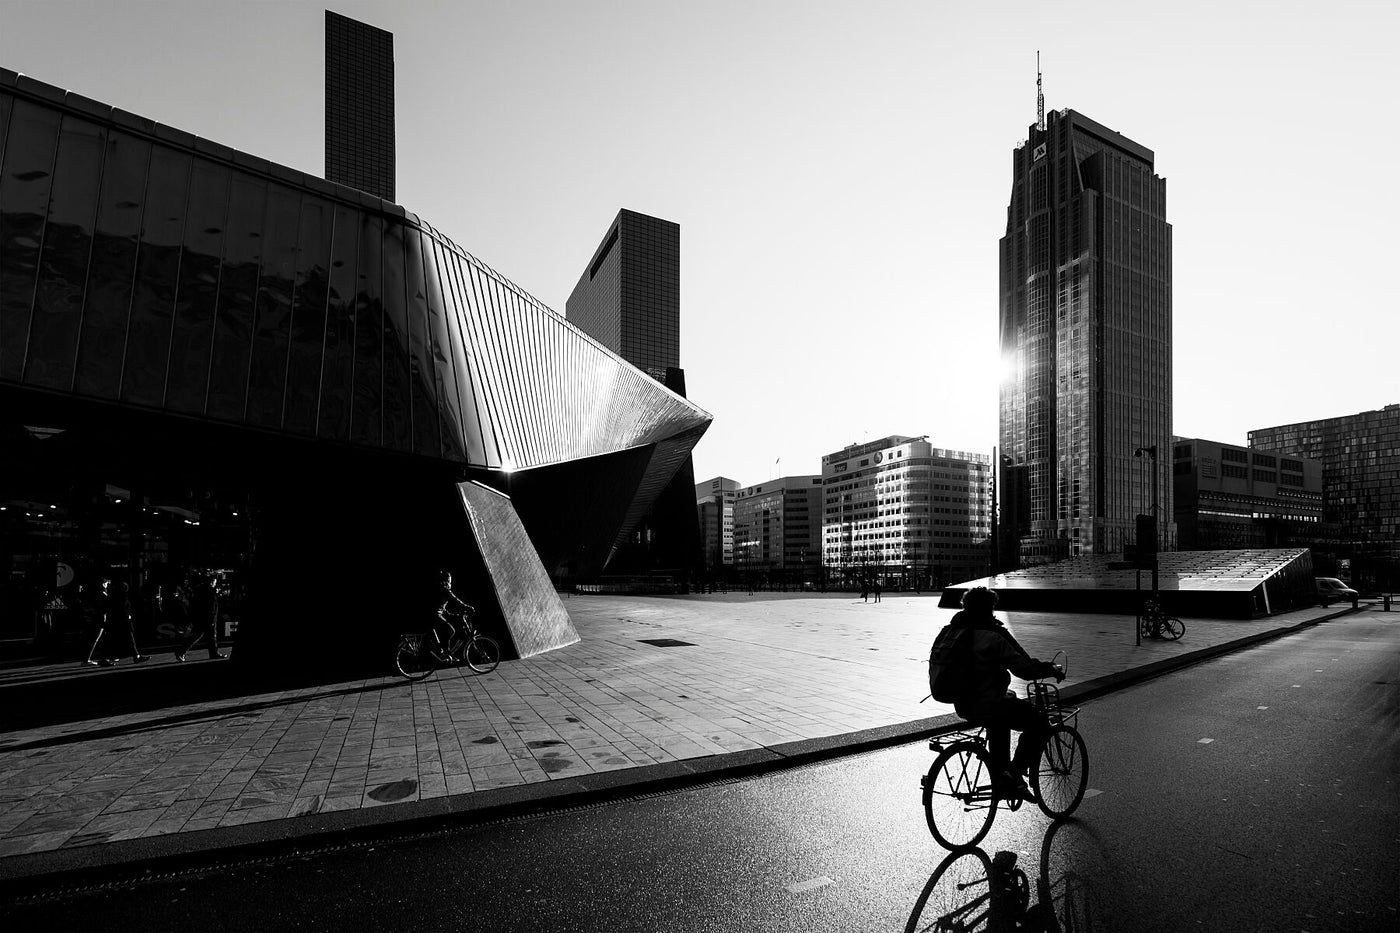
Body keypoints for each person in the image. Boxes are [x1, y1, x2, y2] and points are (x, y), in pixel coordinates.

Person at [934, 586, 1061, 798]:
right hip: (989, 702)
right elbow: (1024, 668)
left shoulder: (950, 631)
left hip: (963, 704)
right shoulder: (993, 635)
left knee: (999, 720)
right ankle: (1014, 774)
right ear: (989, 608)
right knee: (1039, 723)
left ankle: (1001, 777)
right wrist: (1050, 669)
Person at [178, 573, 226, 661]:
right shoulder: (210, 591)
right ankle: (182, 651)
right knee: (210, 636)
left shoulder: (200, 589)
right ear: (212, 581)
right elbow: (212, 607)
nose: (215, 584)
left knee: (199, 635)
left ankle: (182, 651)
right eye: (215, 582)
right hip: (208, 618)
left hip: (200, 617)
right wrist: (212, 619)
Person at [431, 570, 474, 662]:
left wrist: (453, 615)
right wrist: (468, 607)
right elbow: (455, 600)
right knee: (450, 630)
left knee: (448, 629)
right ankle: (445, 652)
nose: (450, 583)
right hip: (434, 615)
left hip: (436, 614)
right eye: (449, 581)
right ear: (445, 581)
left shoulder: (441, 589)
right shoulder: (445, 590)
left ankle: (445, 652)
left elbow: (441, 607)